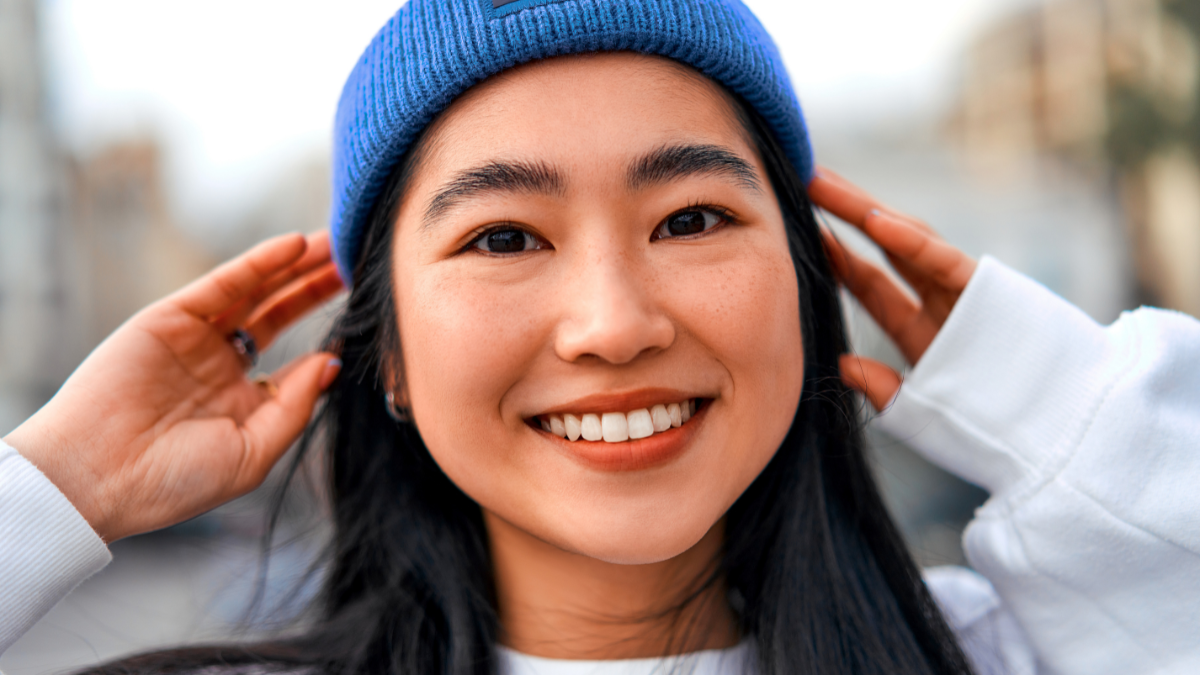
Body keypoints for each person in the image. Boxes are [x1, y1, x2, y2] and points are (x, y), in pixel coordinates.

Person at [1, 1, 1198, 674]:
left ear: (803, 277)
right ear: (394, 358)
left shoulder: (1006, 659)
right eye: (505, 239)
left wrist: (1044, 387)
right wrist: (62, 484)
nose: (617, 325)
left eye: (691, 218)